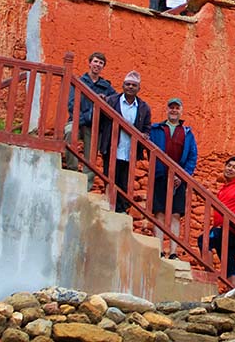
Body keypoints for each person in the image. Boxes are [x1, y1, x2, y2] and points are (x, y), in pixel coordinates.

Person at [148, 98, 198, 259]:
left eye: (177, 108)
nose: (174, 111)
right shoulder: (156, 129)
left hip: (179, 178)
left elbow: (192, 156)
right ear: (167, 110)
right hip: (160, 175)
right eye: (171, 108)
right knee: (159, 213)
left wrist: (183, 176)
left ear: (181, 111)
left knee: (176, 214)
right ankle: (159, 249)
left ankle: (174, 251)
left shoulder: (187, 133)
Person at [98, 70, 151, 213]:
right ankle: (109, 206)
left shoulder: (144, 108)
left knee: (124, 181)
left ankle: (121, 209)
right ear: (123, 86)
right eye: (128, 84)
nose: (130, 87)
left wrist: (145, 134)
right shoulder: (111, 101)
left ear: (139, 88)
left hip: (129, 151)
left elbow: (147, 126)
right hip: (111, 147)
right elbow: (101, 120)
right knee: (109, 177)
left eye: (134, 85)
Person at [200, 156, 235, 286]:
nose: (230, 169)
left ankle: (209, 278)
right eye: (228, 166)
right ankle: (233, 290)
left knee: (203, 240)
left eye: (234, 167)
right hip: (222, 230)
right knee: (228, 259)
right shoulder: (223, 189)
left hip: (233, 230)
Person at [63, 52, 116, 187]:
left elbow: (113, 103)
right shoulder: (79, 82)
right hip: (78, 121)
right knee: (69, 132)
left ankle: (86, 185)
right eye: (96, 61)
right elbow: (71, 104)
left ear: (103, 67)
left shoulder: (106, 87)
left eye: (101, 63)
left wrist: (105, 100)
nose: (97, 65)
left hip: (95, 126)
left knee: (91, 155)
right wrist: (87, 117)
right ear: (90, 63)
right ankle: (72, 169)